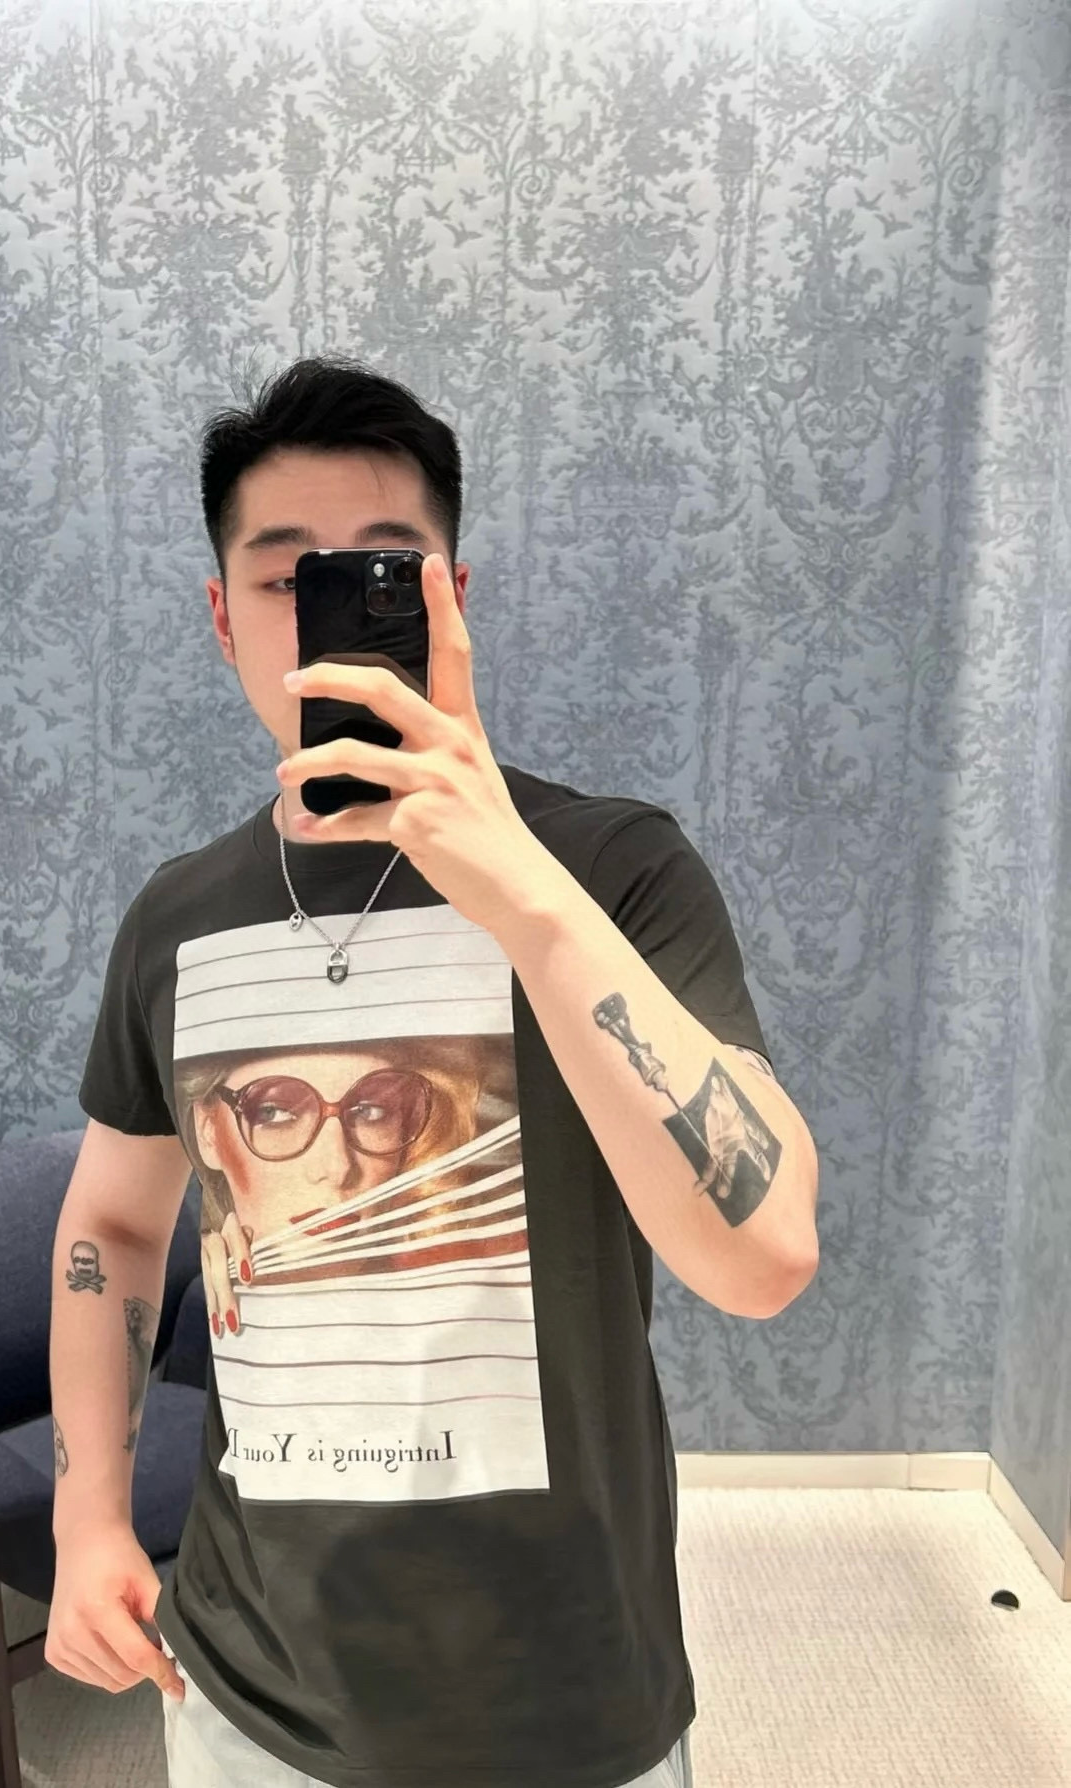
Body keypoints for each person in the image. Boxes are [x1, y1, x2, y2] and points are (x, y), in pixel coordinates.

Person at [44, 356, 820, 1788]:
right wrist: (87, 1513)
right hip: (245, 1693)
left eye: (382, 574)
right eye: (288, 579)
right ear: (222, 618)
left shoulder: (612, 870)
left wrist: (517, 890)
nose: (330, 615)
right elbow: (111, 1222)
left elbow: (764, 1254)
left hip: (565, 1700)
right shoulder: (174, 919)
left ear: (453, 600)